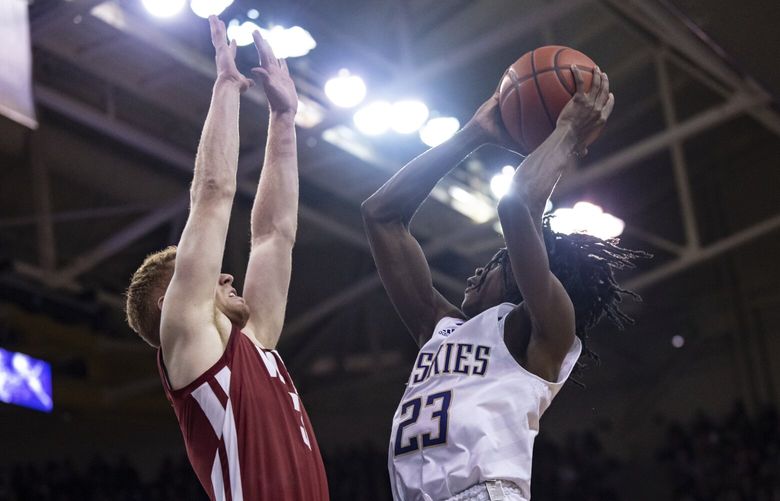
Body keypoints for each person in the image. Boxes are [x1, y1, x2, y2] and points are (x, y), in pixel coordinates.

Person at [362, 66, 647, 501]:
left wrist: (567, 134)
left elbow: (516, 206)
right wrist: (472, 133)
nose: (476, 272)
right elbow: (380, 214)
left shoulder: (541, 329)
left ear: (521, 274)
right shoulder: (437, 328)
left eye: (497, 262)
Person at [124, 17, 328, 501]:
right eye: (210, 277)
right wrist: (226, 85)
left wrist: (284, 119)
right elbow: (213, 194)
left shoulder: (253, 343)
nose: (227, 273)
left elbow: (274, 236)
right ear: (168, 301)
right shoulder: (192, 342)